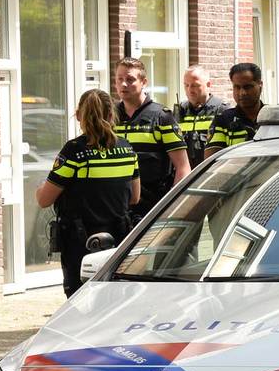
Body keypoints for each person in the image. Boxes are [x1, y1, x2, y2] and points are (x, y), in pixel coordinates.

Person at [36, 89, 140, 297]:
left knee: (80, 299)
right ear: (112, 115)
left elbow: (44, 199)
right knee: (113, 297)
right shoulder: (126, 149)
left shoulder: (74, 151)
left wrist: (40, 187)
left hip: (81, 242)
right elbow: (134, 198)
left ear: (78, 115)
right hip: (117, 239)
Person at [113, 57, 188, 222]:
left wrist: (171, 208)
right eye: (120, 79)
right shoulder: (110, 117)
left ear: (144, 82)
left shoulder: (162, 117)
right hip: (116, 208)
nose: (124, 84)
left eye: (130, 79)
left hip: (153, 208)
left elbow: (183, 168)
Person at [205, 63, 265, 158]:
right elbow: (212, 162)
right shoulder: (222, 120)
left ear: (260, 85)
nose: (242, 93)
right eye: (237, 87)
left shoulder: (272, 118)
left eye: (248, 87)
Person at [176, 65, 228, 170]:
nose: (190, 90)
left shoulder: (222, 110)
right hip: (187, 174)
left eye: (195, 85)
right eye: (186, 85)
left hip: (212, 172)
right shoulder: (180, 110)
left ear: (208, 85)